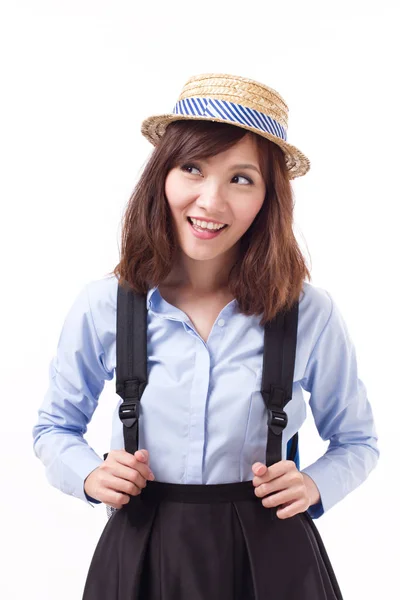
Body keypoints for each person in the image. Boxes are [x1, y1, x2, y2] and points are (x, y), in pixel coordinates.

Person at [32, 73, 379, 599]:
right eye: (192, 168)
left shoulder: (308, 312)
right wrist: (90, 476)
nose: (211, 201)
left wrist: (313, 485)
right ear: (162, 176)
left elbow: (358, 441)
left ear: (269, 199)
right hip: (142, 551)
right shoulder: (105, 305)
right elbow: (54, 427)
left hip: (273, 558)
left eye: (241, 179)